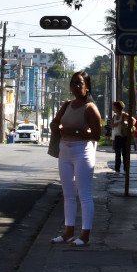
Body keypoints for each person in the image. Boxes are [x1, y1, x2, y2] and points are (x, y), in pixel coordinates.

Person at [49, 71, 103, 246]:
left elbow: (97, 135)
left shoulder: (91, 108)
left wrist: (76, 132)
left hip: (83, 152)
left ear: (87, 86)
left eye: (80, 83)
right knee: (68, 195)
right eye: (73, 83)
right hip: (64, 152)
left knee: (84, 195)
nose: (76, 87)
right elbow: (55, 123)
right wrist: (55, 126)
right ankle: (68, 232)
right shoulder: (67, 104)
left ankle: (85, 235)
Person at [109, 101, 133, 174]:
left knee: (124, 153)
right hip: (117, 136)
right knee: (117, 153)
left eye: (114, 106)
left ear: (117, 107)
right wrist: (118, 123)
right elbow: (112, 126)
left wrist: (129, 127)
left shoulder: (124, 115)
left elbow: (133, 120)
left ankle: (126, 169)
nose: (113, 108)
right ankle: (117, 169)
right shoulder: (114, 116)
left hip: (124, 136)